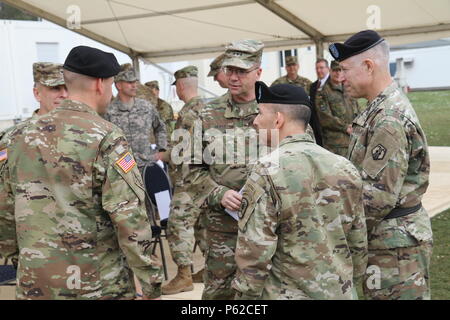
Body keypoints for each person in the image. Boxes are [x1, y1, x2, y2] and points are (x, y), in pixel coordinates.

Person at [0, 45, 162, 299]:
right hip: (96, 283)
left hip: (36, 282)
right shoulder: (107, 137)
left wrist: (23, 258)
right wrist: (150, 281)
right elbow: (129, 219)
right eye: (111, 84)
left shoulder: (15, 137)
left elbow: (5, 211)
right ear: (100, 84)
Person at [232, 81, 368, 300]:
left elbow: (255, 252)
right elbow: (358, 241)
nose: (255, 121)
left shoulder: (267, 170)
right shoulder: (345, 167)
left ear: (278, 120)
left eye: (259, 113)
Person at [329, 30, 433, 300]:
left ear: (368, 66)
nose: (340, 78)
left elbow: (376, 197)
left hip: (394, 247)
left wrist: (329, 225)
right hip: (388, 240)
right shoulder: (378, 107)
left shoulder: (389, 117)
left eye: (345, 70)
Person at [184, 40, 264, 300]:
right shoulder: (207, 114)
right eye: (230, 70)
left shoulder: (277, 109)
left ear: (258, 72)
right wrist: (218, 193)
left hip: (267, 225)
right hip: (223, 228)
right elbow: (191, 169)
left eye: (241, 71)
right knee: (219, 293)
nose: (233, 77)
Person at [0, 62, 67, 267]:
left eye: (67, 88)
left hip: (85, 249)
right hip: (36, 251)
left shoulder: (89, 134)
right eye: (55, 88)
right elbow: (4, 198)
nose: (63, 94)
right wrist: (11, 249)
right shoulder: (11, 140)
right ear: (37, 93)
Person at [162, 66, 208, 294]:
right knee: (202, 225)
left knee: (178, 224)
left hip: (188, 180)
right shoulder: (209, 107)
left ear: (181, 86)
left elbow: (180, 152)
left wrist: (161, 154)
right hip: (207, 180)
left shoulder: (189, 114)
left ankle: (183, 275)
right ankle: (209, 269)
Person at [104, 63, 167, 172]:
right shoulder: (109, 112)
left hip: (149, 165)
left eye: (135, 82)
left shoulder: (146, 107)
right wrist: (126, 164)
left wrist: (161, 150)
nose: (134, 86)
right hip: (124, 171)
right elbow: (107, 143)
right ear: (118, 85)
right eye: (129, 82)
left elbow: (160, 127)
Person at [315, 60, 361, 156]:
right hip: (335, 145)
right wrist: (345, 127)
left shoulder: (349, 90)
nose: (338, 73)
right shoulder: (322, 93)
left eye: (341, 70)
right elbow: (325, 118)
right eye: (335, 70)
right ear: (330, 71)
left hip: (352, 141)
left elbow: (358, 111)